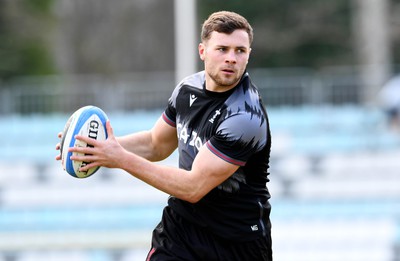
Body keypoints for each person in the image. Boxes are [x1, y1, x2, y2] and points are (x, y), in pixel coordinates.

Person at [56, 11, 273, 261]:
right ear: (202, 51)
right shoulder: (186, 90)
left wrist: (119, 158)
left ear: (248, 55)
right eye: (222, 49)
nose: (231, 59)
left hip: (236, 244)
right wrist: (98, 147)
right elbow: (155, 144)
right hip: (181, 231)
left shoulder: (246, 117)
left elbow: (193, 187)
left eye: (240, 51)